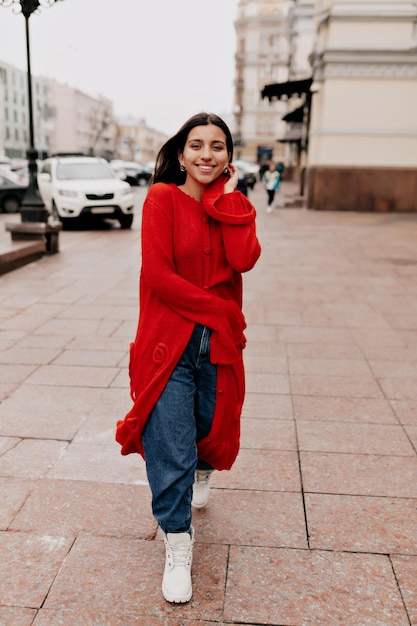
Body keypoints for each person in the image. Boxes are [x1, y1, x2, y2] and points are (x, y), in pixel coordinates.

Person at [115, 112, 261, 604]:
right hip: (168, 343)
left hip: (216, 345)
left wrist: (231, 198)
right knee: (170, 441)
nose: (206, 154)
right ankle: (178, 543)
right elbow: (158, 275)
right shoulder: (161, 199)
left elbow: (244, 259)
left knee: (210, 424)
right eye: (196, 145)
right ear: (181, 154)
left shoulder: (230, 205)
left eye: (216, 146)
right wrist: (218, 309)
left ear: (228, 157)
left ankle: (203, 471)